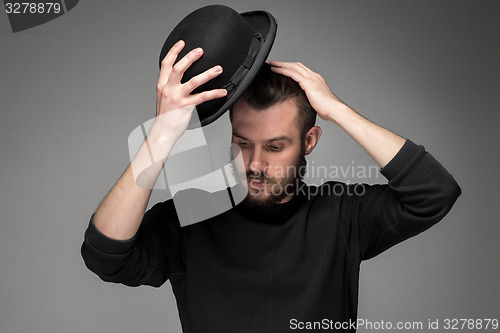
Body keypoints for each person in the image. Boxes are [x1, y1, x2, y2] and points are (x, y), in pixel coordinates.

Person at [81, 41, 461, 332]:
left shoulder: (343, 213)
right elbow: (105, 256)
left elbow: (435, 193)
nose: (256, 164)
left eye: (275, 147)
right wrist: (161, 134)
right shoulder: (193, 215)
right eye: (243, 143)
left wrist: (337, 110)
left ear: (309, 141)